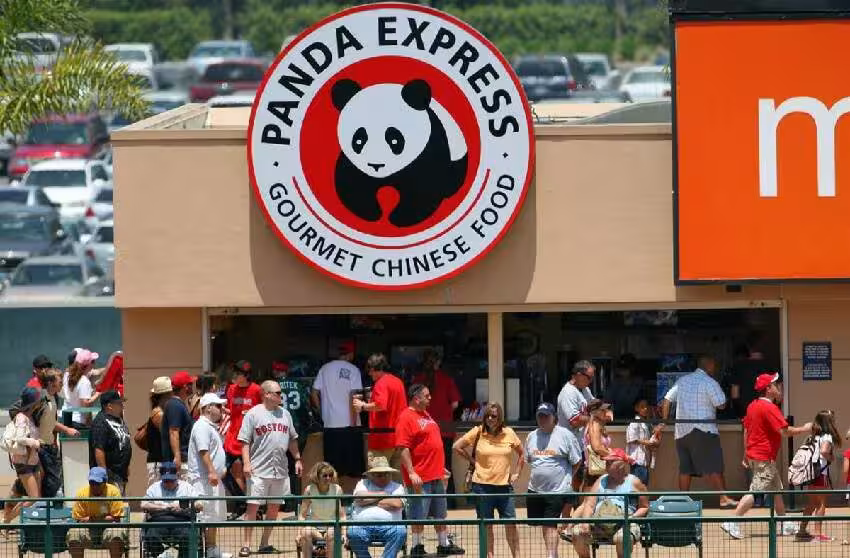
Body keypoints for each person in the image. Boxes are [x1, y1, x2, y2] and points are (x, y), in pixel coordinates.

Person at [720, 373, 813, 540]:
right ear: (768, 389)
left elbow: (747, 431)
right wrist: (805, 429)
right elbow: (784, 431)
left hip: (757, 456)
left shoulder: (752, 406)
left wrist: (746, 454)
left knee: (776, 490)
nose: (779, 387)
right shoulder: (769, 408)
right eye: (776, 384)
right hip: (764, 457)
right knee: (756, 491)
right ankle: (732, 521)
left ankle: (783, 523)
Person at [397, 384, 464, 558]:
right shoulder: (406, 417)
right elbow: (402, 448)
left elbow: (431, 443)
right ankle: (417, 546)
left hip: (436, 475)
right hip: (420, 477)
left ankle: (444, 544)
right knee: (418, 514)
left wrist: (440, 467)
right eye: (426, 396)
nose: (430, 398)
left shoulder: (426, 414)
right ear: (416, 398)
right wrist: (411, 472)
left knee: (440, 513)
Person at [660, 355, 737, 508]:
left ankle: (683, 499)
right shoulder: (710, 382)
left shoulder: (682, 381)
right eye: (714, 365)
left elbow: (666, 400)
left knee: (685, 468)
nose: (715, 368)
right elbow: (721, 404)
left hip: (681, 432)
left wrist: (664, 421)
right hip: (703, 430)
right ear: (709, 365)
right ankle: (723, 498)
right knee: (714, 465)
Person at [237, 380, 302, 558]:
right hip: (258, 469)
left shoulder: (285, 414)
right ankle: (246, 545)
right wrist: (246, 463)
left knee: (274, 508)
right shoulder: (253, 414)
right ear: (266, 394)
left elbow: (292, 439)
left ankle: (264, 543)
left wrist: (297, 459)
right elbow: (244, 441)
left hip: (280, 469)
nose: (281, 396)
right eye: (278, 393)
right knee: (253, 507)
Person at [454, 402, 523, 558]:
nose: (491, 419)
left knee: (511, 525)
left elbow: (522, 454)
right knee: (486, 526)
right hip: (482, 487)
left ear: (500, 417)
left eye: (494, 416)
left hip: (504, 487)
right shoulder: (478, 431)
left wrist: (517, 474)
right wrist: (473, 461)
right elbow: (457, 446)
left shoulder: (509, 432)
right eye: (488, 416)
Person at [525, 402, 582, 558]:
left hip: (557, 490)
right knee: (546, 525)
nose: (542, 419)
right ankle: (552, 553)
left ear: (554, 418)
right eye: (540, 416)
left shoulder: (565, 435)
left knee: (550, 524)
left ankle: (551, 555)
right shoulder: (531, 436)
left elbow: (577, 461)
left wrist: (567, 479)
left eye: (546, 416)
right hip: (535, 490)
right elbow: (529, 460)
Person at [571, 449, 649, 558]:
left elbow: (644, 507)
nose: (606, 464)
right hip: (598, 523)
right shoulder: (601, 480)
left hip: (624, 524)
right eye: (606, 462)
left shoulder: (634, 482)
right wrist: (586, 522)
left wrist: (631, 517)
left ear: (621, 465)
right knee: (577, 533)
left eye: (610, 462)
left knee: (622, 538)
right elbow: (589, 504)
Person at [312, 342, 365, 492]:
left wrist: (322, 412)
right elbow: (354, 395)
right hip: (350, 425)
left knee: (332, 470)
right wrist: (353, 422)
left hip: (330, 425)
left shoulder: (325, 369)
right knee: (354, 470)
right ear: (351, 354)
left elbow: (314, 393)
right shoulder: (353, 369)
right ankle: (352, 498)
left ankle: (335, 499)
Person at [412, 350, 462, 502]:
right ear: (438, 362)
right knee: (446, 466)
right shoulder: (446, 379)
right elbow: (455, 404)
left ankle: (427, 501)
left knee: (424, 466)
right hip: (445, 428)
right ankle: (449, 501)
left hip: (422, 427)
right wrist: (444, 410)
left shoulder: (418, 380)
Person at [353, 353, 407, 479]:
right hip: (398, 438)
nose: (369, 374)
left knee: (377, 481)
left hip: (381, 440)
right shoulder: (397, 382)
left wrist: (363, 406)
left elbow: (381, 405)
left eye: (370, 370)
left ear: (373, 368)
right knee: (397, 482)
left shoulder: (381, 383)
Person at [188, 392, 229, 558]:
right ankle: (203, 551)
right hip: (203, 481)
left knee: (213, 517)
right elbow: (203, 451)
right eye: (218, 406)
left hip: (212, 480)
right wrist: (212, 471)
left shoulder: (210, 427)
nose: (222, 409)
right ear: (208, 408)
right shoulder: (201, 426)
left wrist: (219, 471)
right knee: (204, 517)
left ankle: (211, 549)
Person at [347, 456, 407, 558]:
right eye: (379, 475)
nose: (383, 477)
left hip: (391, 526)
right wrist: (383, 494)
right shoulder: (362, 483)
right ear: (371, 475)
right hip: (362, 526)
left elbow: (397, 504)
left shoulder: (397, 486)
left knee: (400, 531)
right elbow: (359, 498)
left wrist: (369, 501)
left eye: (386, 474)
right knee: (353, 532)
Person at [796, 409, 842, 542]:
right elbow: (824, 451)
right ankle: (818, 534)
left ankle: (802, 530)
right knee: (821, 504)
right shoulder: (827, 436)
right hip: (820, 474)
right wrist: (831, 457)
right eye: (832, 419)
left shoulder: (813, 436)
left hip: (811, 474)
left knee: (811, 503)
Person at [274, 360, 314, 510]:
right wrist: (306, 425)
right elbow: (305, 406)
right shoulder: (299, 384)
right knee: (295, 465)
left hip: (279, 429)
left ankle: (284, 502)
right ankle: (295, 503)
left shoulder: (274, 386)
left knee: (280, 467)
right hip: (298, 429)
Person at [141, 462, 203, 558]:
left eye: (171, 480)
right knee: (151, 535)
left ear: (177, 476)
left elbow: (199, 505)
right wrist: (163, 507)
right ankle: (160, 555)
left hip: (182, 521)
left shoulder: (186, 487)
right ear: (161, 478)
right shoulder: (154, 488)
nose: (169, 483)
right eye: (166, 481)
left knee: (189, 535)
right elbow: (143, 504)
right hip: (159, 522)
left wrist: (183, 507)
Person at [36, 368, 80, 497]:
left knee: (53, 481)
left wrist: (67, 430)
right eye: (60, 382)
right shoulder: (41, 399)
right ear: (51, 383)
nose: (62, 385)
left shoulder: (53, 398)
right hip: (40, 446)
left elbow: (50, 422)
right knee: (50, 481)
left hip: (49, 445)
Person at [66, 467, 127, 558]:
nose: (94, 486)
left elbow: (116, 517)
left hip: (109, 527)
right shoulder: (82, 493)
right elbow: (79, 518)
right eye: (91, 483)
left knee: (116, 534)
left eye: (97, 483)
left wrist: (93, 518)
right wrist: (100, 518)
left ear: (105, 482)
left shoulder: (113, 492)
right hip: (88, 528)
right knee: (74, 534)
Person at [224, 360, 263, 499]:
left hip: (249, 441)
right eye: (234, 372)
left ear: (246, 375)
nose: (234, 375)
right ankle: (240, 501)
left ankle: (254, 505)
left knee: (252, 475)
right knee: (221, 470)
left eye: (238, 373)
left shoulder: (257, 390)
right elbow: (230, 410)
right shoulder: (231, 389)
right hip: (232, 439)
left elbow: (264, 413)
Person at [556, 361, 595, 492]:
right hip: (567, 446)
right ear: (578, 375)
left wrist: (601, 408)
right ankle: (568, 505)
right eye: (589, 377)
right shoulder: (568, 392)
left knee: (581, 480)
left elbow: (593, 405)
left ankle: (577, 504)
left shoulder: (584, 389)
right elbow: (575, 420)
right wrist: (594, 418)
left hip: (579, 444)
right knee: (570, 482)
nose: (591, 381)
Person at [296, 462, 346, 558]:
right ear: (317, 476)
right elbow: (302, 515)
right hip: (314, 528)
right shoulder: (309, 490)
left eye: (330, 475)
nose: (328, 478)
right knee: (305, 533)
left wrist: (344, 534)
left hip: (331, 527)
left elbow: (342, 516)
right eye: (325, 475)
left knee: (332, 533)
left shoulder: (337, 489)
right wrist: (298, 534)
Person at [89, 390, 132, 494]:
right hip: (110, 475)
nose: (122, 406)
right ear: (109, 406)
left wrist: (126, 466)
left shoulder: (118, 419)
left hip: (120, 474)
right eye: (119, 403)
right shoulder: (100, 423)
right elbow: (99, 449)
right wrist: (104, 475)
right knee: (112, 502)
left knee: (120, 501)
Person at [9, 387, 44, 504]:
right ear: (33, 403)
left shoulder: (31, 417)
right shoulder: (21, 418)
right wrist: (35, 443)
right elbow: (19, 438)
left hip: (32, 461)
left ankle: (10, 511)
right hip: (23, 462)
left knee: (35, 498)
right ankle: (10, 515)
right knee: (33, 498)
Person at [161, 370, 195, 478]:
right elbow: (173, 431)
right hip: (179, 463)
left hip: (184, 460)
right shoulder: (175, 405)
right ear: (185, 387)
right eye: (190, 384)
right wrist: (177, 456)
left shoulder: (178, 404)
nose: (193, 386)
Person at [625, 398, 662, 487]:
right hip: (637, 460)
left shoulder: (646, 424)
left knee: (643, 486)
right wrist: (647, 443)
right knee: (638, 487)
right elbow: (632, 438)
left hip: (644, 460)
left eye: (646, 407)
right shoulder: (634, 422)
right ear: (636, 408)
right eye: (642, 407)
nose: (645, 409)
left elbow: (653, 435)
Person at [63, 349, 100, 428]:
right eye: (93, 361)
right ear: (88, 365)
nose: (94, 364)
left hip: (65, 419)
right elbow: (85, 405)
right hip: (78, 422)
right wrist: (98, 393)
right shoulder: (84, 381)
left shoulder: (66, 375)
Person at [144, 377, 171, 484]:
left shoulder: (160, 411)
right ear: (165, 395)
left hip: (160, 463)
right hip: (157, 464)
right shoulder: (159, 414)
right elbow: (167, 436)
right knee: (157, 492)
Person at [583, 400, 613, 491]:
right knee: (593, 497)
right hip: (595, 470)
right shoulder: (595, 424)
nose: (606, 412)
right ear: (595, 412)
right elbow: (597, 448)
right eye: (603, 410)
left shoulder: (598, 424)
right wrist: (614, 455)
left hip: (598, 468)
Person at [602, 354, 643, 419]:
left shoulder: (638, 382)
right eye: (621, 368)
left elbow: (643, 401)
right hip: (617, 416)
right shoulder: (616, 383)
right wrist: (601, 412)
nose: (622, 371)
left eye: (625, 369)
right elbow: (606, 401)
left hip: (635, 417)